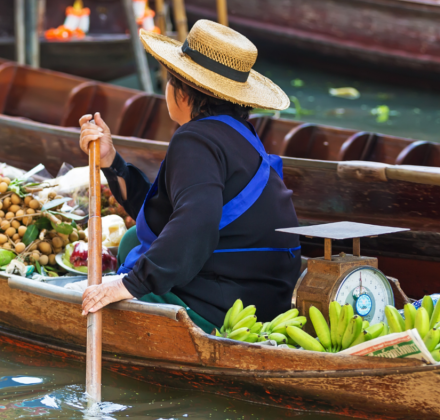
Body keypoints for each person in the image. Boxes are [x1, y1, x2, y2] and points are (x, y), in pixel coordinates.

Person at [77, 20, 301, 333]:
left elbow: (197, 222)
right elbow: (165, 214)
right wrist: (110, 160)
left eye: (169, 81)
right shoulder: (238, 135)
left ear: (182, 92)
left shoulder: (194, 139)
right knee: (131, 240)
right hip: (265, 298)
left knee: (124, 262)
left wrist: (128, 285)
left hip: (224, 307)